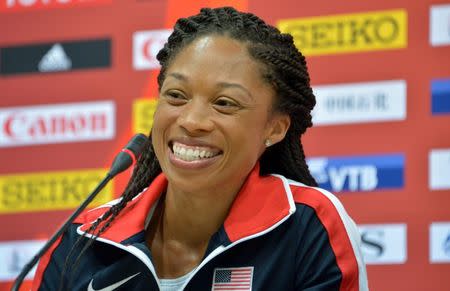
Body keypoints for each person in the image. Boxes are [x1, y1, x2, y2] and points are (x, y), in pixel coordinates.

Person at [32, 6, 368, 291]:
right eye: (176, 96)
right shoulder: (80, 240)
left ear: (275, 128)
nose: (192, 120)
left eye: (224, 103)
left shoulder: (310, 227)